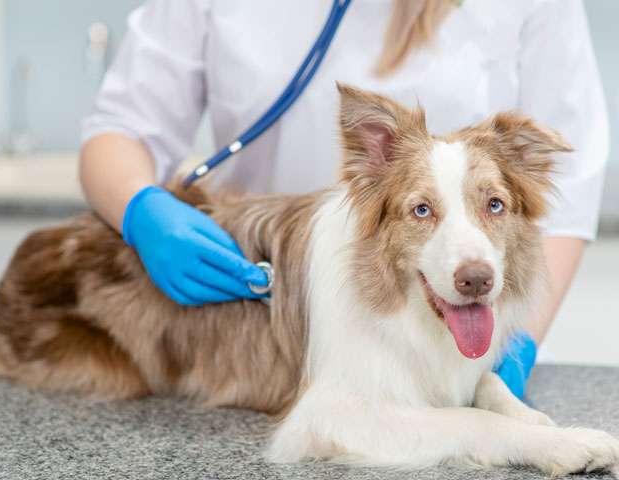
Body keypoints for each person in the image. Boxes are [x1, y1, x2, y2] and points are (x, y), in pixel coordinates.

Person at [79, 0, 608, 398]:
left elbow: (571, 184)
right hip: (270, 310)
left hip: (470, 331)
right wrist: (140, 209)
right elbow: (121, 127)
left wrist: (513, 350)